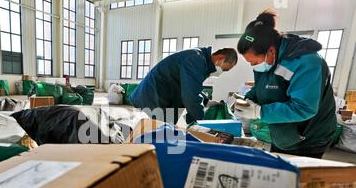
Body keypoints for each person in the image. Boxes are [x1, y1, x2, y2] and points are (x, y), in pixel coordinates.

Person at [235, 10, 337, 159]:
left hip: (308, 138)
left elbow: (304, 107)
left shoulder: (307, 62)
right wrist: (247, 99)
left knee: (299, 177)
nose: (253, 66)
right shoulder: (268, 61)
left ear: (270, 50)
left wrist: (259, 112)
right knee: (280, 172)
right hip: (284, 134)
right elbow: (262, 87)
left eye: (254, 62)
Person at [130, 47, 238, 124]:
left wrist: (206, 101)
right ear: (220, 57)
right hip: (154, 97)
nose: (221, 72)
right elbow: (190, 96)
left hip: (165, 98)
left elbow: (191, 87)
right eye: (224, 69)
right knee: (160, 135)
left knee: (166, 133)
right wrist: (201, 123)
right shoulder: (195, 60)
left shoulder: (201, 62)